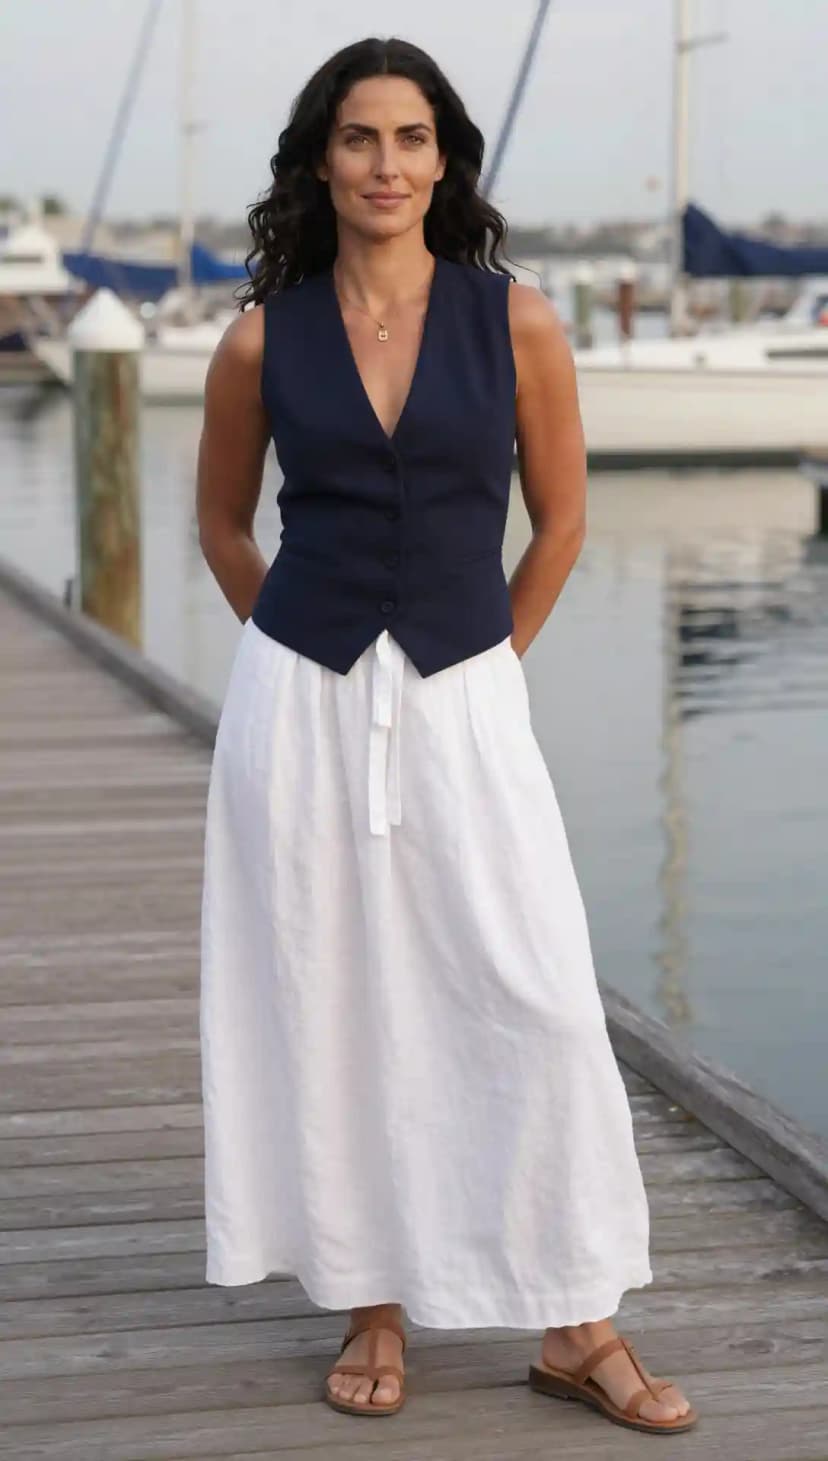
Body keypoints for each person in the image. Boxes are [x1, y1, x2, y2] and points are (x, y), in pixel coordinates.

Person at [196, 34, 697, 1438]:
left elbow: (566, 521)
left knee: (530, 987)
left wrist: (485, 662)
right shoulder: (259, 335)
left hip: (467, 689)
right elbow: (225, 526)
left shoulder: (516, 320)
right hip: (298, 703)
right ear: (317, 159)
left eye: (412, 139)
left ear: (445, 160)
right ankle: (371, 1299)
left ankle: (578, 1318)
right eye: (360, 138)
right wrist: (287, 655)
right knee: (332, 989)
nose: (387, 165)